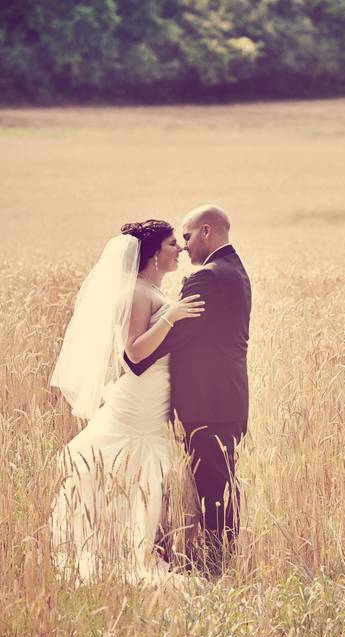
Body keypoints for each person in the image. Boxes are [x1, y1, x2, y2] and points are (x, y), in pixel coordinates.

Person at [49, 219, 204, 583]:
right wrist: (173, 318)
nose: (179, 248)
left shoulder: (152, 290)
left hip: (154, 398)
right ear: (151, 254)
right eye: (171, 244)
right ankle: (117, 550)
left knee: (138, 470)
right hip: (139, 400)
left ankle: (133, 544)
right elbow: (133, 356)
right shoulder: (136, 292)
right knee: (128, 463)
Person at [124, 205, 252, 577]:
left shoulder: (208, 277)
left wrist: (138, 356)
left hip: (207, 403)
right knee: (220, 488)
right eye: (177, 240)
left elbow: (160, 346)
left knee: (214, 491)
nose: (184, 246)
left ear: (207, 231)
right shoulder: (234, 269)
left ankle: (216, 568)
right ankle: (218, 563)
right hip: (225, 399)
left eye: (188, 236)